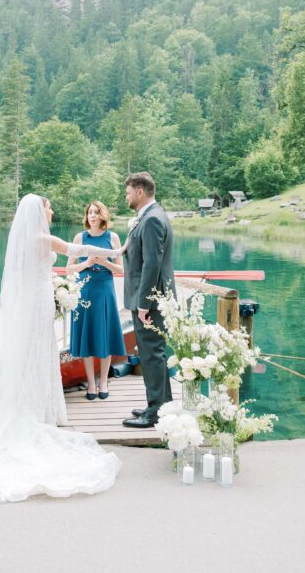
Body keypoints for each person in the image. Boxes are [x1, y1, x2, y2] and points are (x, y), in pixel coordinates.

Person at [0, 194, 123, 502]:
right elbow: (78, 250)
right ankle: (39, 411)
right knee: (40, 353)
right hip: (38, 304)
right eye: (49, 207)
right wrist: (117, 251)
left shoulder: (24, 239)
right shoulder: (43, 236)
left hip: (31, 302)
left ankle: (33, 405)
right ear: (39, 211)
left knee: (31, 355)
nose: (51, 210)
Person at [121, 172, 175, 429]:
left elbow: (151, 265)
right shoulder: (152, 216)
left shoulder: (152, 219)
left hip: (150, 302)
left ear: (140, 191)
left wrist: (143, 304)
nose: (127, 196)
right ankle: (162, 405)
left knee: (151, 354)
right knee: (155, 354)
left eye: (129, 191)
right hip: (150, 298)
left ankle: (154, 413)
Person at [67, 201, 125, 400]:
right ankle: (91, 383)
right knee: (87, 335)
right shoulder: (79, 237)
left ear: (102, 215)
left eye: (96, 212)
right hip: (85, 290)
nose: (92, 215)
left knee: (105, 334)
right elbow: (69, 269)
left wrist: (103, 262)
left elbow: (121, 269)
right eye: (89, 212)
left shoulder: (113, 237)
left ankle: (103, 381)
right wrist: (86, 263)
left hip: (104, 289)